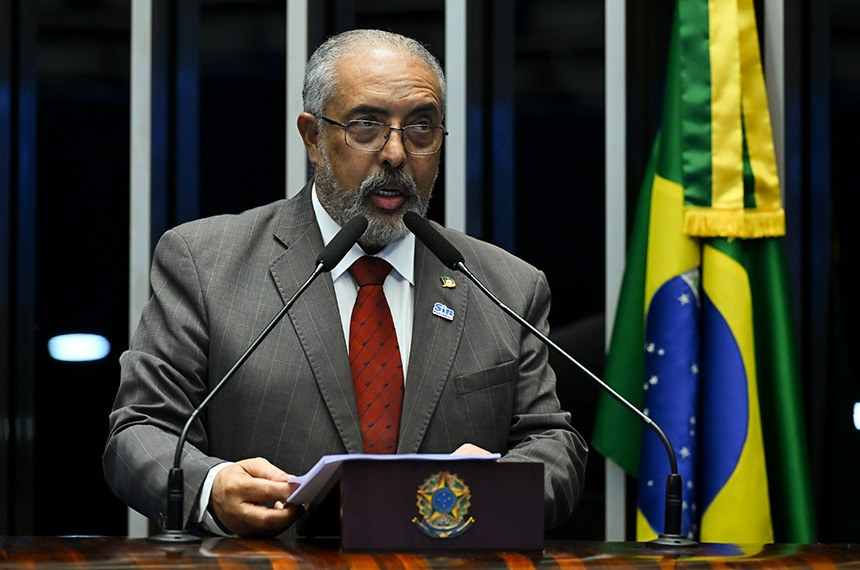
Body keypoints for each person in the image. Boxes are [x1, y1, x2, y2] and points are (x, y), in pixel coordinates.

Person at [104, 28, 587, 538]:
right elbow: (140, 430)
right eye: (366, 125)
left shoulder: (506, 285)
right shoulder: (206, 262)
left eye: (421, 128)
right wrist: (211, 486)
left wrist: (496, 487)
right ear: (313, 137)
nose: (396, 153)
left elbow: (554, 446)